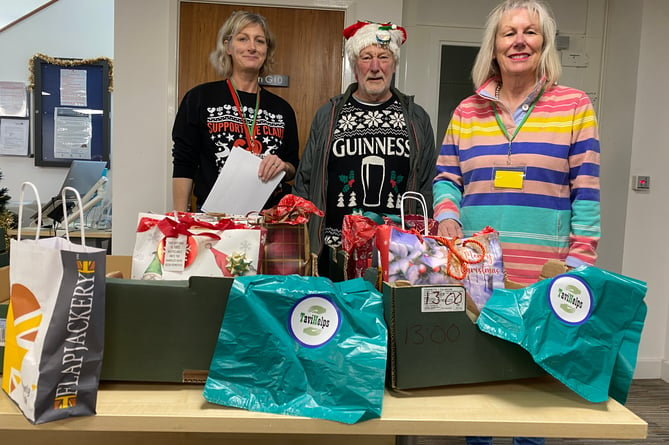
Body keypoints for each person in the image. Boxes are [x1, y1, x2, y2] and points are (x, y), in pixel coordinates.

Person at [433, 1, 600, 443]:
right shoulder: (467, 111)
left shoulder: (574, 106)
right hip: (477, 274)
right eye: (509, 33)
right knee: (480, 391)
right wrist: (447, 215)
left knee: (532, 403)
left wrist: (580, 261)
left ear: (544, 44)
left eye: (530, 32)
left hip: (543, 275)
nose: (519, 41)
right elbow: (447, 177)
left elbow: (587, 190)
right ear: (494, 46)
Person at [293, 20, 437, 277]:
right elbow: (305, 181)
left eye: (383, 57)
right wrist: (303, 247)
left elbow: (427, 186)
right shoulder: (329, 114)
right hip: (335, 251)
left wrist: (425, 246)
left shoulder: (416, 118)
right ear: (354, 65)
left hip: (398, 253)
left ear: (393, 64)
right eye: (366, 57)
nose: (374, 67)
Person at [172, 10, 299, 212]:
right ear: (228, 46)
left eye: (260, 41)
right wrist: (180, 217)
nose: (251, 47)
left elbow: (293, 167)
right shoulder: (199, 98)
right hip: (215, 221)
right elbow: (183, 162)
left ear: (267, 50)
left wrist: (283, 166)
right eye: (242, 39)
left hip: (269, 221)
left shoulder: (282, 110)